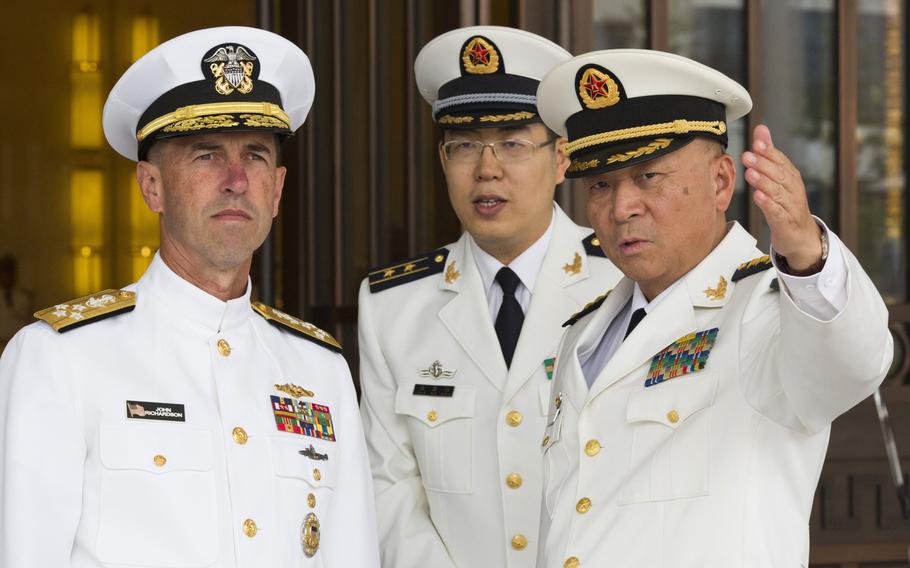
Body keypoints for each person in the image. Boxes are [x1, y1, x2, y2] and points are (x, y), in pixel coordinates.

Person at [0, 26, 379, 567]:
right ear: (151, 186)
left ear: (277, 190)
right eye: (206, 156)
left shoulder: (319, 370)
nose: (235, 180)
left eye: (254, 156)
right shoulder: (57, 358)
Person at [533, 49, 893, 568]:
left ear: (722, 182)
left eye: (648, 176)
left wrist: (807, 255)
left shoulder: (772, 307)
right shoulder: (584, 333)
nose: (621, 207)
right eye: (601, 184)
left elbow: (855, 362)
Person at [357, 26, 622, 568]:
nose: (487, 168)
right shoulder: (392, 306)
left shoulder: (622, 280)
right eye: (464, 145)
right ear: (443, 159)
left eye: (513, 142)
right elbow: (389, 489)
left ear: (563, 158)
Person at [0, 255, 31, 349]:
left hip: (18, 345)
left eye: (9, 271)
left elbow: (27, 321)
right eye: (4, 271)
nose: (7, 275)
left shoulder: (23, 297)